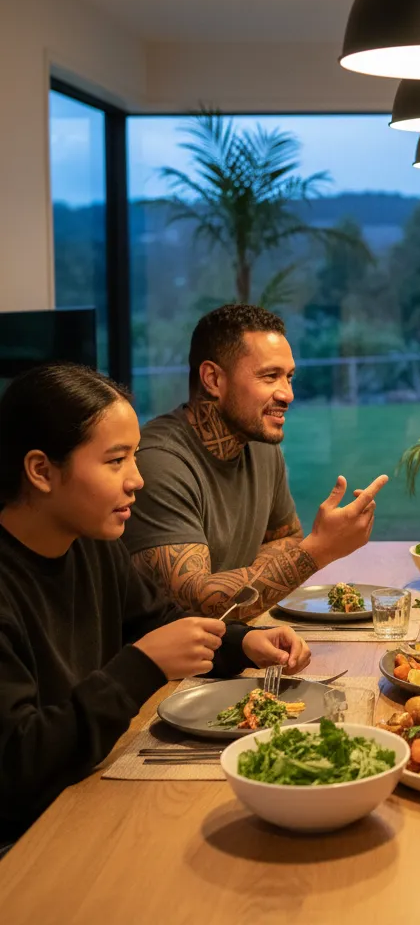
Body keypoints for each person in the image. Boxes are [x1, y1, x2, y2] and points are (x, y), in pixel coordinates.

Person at [0, 363, 311, 850]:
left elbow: (162, 622)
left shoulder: (91, 544)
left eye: (135, 458)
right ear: (41, 471)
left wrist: (244, 641)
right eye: (115, 461)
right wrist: (141, 665)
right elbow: (17, 766)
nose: (137, 481)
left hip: (87, 797)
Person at [123, 304, 388, 617]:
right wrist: (319, 550)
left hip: (233, 643)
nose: (287, 394)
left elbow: (286, 537)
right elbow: (193, 601)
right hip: (168, 662)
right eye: (270, 376)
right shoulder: (159, 463)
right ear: (212, 379)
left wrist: (252, 579)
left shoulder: (259, 444)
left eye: (288, 377)